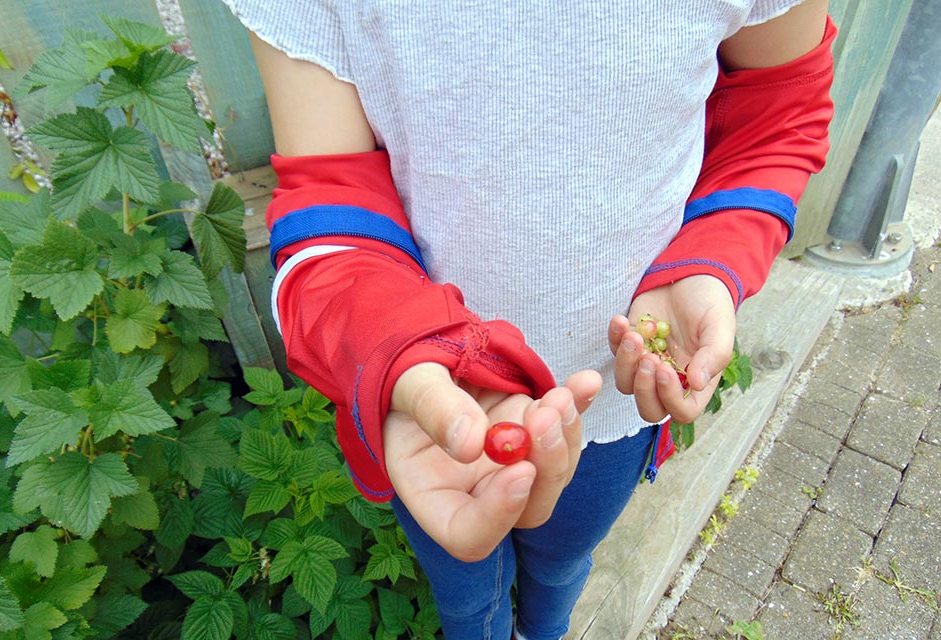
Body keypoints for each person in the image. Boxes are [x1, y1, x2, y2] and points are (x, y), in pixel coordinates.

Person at [225, 1, 835, 637]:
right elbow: (330, 202)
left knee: (563, 563)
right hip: (429, 409)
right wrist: (399, 351)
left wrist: (709, 259)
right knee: (465, 594)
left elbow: (777, 114)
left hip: (610, 397)